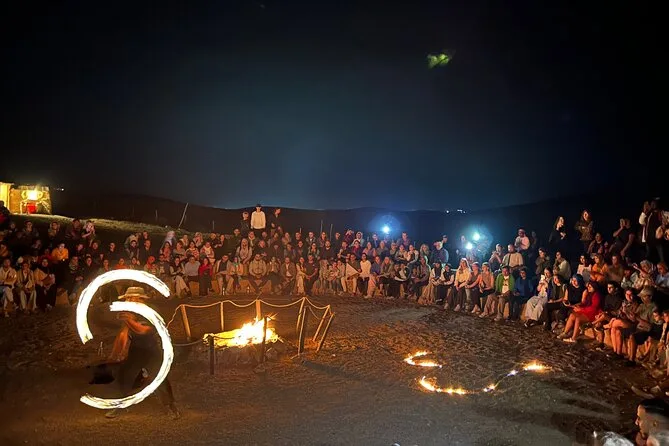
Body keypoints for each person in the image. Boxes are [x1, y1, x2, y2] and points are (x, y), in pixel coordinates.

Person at [104, 287, 180, 419]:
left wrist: (129, 320)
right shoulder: (129, 312)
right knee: (125, 375)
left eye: (130, 298)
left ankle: (170, 407)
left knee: (159, 378)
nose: (127, 300)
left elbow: (144, 330)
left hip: (151, 350)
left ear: (139, 299)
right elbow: (123, 334)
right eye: (126, 298)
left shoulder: (150, 311)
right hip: (136, 350)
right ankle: (120, 405)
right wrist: (114, 355)